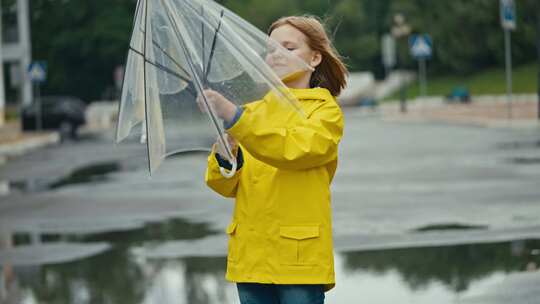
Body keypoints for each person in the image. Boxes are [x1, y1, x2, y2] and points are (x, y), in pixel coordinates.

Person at [203, 15, 347, 304]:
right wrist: (225, 153)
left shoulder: (324, 112)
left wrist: (234, 118)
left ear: (315, 57)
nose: (276, 55)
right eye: (270, 50)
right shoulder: (252, 112)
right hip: (251, 258)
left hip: (298, 260)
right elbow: (224, 185)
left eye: (289, 48)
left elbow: (294, 151)